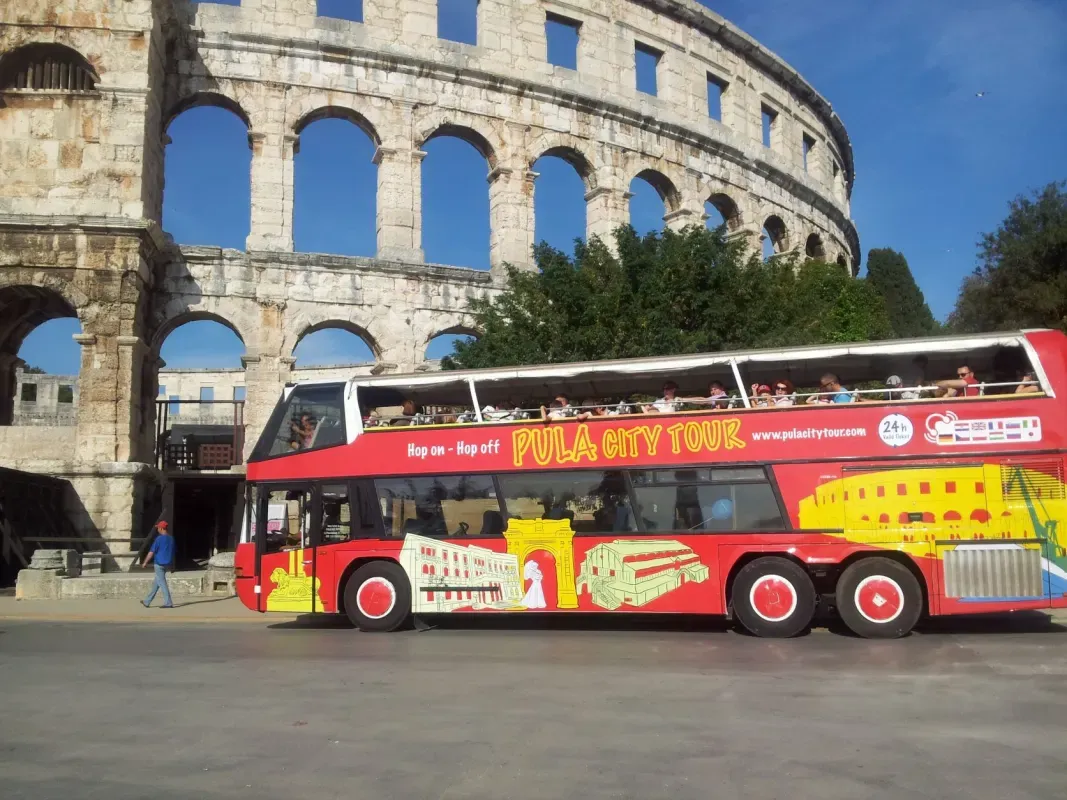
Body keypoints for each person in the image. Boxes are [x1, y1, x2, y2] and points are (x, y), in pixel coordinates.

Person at [140, 520, 175, 609]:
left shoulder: (159, 539)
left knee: (162, 583)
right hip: (167, 564)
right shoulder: (171, 539)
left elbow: (151, 552)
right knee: (157, 583)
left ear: (161, 528)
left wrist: (145, 562)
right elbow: (173, 552)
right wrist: (172, 566)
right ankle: (147, 601)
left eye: (158, 528)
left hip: (159, 564)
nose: (157, 530)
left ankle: (168, 602)